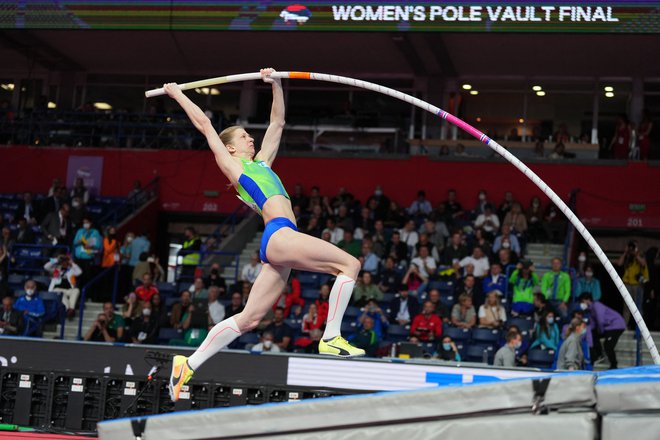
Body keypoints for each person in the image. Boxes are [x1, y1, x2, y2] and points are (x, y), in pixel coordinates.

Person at [164, 70, 364, 402]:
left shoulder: (263, 165)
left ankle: (188, 363)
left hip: (279, 244)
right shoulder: (235, 168)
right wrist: (178, 94)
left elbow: (278, 123)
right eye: (243, 137)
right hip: (280, 235)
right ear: (230, 148)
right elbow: (204, 127)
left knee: (249, 319)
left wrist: (275, 84)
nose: (251, 139)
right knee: (350, 265)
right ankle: (331, 336)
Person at [579, 293, 625, 369]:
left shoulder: (597, 305)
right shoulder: (590, 310)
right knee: (593, 334)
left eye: (582, 301)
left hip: (616, 325)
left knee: (608, 345)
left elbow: (600, 320)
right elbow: (592, 325)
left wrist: (601, 331)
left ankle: (614, 365)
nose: (582, 304)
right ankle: (598, 355)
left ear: (588, 300)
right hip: (607, 327)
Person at [617, 240, 649, 326]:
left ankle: (639, 328)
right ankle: (624, 326)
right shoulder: (627, 256)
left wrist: (636, 254)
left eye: (634, 246)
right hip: (627, 284)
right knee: (626, 307)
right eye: (631, 246)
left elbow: (643, 263)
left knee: (637, 307)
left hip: (637, 285)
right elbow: (619, 263)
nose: (632, 248)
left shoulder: (640, 255)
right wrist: (625, 252)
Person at [44, 253, 82, 319]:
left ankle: (71, 308)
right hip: (57, 289)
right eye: (63, 261)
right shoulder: (55, 269)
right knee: (60, 294)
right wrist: (57, 259)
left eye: (66, 261)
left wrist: (71, 262)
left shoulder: (71, 270)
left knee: (76, 290)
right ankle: (68, 309)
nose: (64, 263)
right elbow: (46, 267)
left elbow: (79, 272)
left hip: (69, 289)